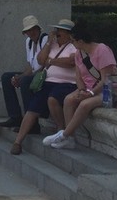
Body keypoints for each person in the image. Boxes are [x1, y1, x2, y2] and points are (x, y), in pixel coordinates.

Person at [42, 22, 117, 149]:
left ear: (81, 41)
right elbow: (79, 76)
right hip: (88, 89)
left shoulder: (102, 50)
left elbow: (106, 80)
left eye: (73, 40)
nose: (72, 43)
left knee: (84, 104)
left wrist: (90, 94)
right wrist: (81, 90)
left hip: (107, 90)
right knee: (68, 99)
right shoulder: (79, 53)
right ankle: (70, 139)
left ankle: (64, 135)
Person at [10, 20, 77, 155]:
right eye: (56, 31)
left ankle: (61, 130)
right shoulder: (52, 45)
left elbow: (71, 61)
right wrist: (48, 43)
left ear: (68, 34)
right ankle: (18, 142)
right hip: (48, 81)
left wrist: (51, 61)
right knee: (32, 109)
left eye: (60, 32)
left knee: (52, 99)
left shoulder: (72, 46)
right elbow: (40, 60)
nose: (57, 34)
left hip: (66, 83)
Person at [0, 15, 49, 128]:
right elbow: (30, 66)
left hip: (44, 75)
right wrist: (19, 77)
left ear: (38, 29)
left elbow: (45, 64)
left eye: (33, 29)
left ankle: (32, 123)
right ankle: (15, 117)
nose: (31, 33)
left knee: (25, 81)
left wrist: (24, 77)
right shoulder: (28, 42)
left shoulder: (45, 39)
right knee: (7, 77)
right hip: (34, 73)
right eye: (28, 31)